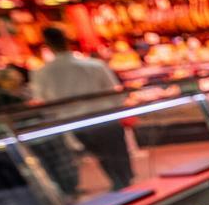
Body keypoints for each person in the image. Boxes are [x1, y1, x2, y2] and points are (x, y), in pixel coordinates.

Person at [31, 26, 133, 190]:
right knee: (117, 152)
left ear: (48, 45)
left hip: (76, 122)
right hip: (105, 116)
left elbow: (43, 103)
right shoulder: (94, 65)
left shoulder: (42, 73)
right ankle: (126, 182)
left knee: (102, 155)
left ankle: (119, 183)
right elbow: (115, 92)